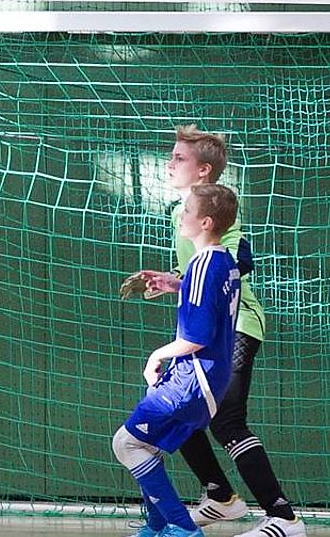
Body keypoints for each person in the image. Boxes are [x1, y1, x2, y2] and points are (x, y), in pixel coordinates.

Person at [132, 126, 306, 537]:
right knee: (180, 410)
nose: (170, 163)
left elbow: (237, 263)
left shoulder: (220, 214)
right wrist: (175, 281)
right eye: (171, 156)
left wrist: (190, 282)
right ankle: (221, 497)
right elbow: (201, 275)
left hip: (237, 325)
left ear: (203, 171)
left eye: (179, 158)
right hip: (208, 329)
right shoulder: (181, 215)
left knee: (227, 420)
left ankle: (283, 517)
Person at [115, 183, 243, 537]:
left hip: (193, 378)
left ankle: (182, 527)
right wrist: (176, 285)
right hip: (208, 378)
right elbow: (212, 303)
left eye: (187, 211)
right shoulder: (224, 262)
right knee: (144, 444)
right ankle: (156, 526)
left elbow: (197, 337)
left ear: (205, 222)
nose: (181, 216)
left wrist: (155, 356)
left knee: (125, 443)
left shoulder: (201, 266)